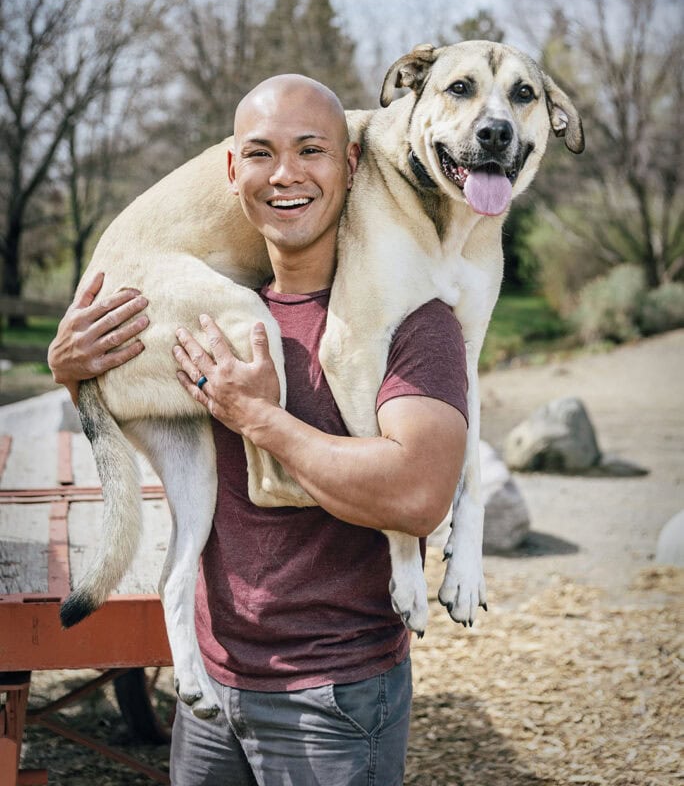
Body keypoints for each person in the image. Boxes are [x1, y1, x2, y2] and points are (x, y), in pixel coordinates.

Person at [48, 74, 469, 785]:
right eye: (262, 153)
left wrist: (261, 420)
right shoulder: (212, 317)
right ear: (231, 170)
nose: (287, 175)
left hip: (333, 700)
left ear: (353, 164)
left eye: (312, 151)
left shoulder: (415, 323)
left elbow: (421, 498)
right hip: (211, 694)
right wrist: (74, 371)